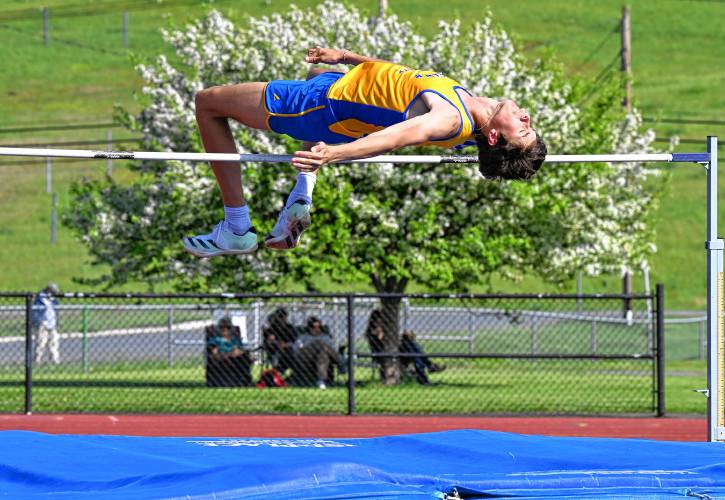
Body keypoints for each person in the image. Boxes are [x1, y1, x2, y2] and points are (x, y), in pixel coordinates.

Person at [183, 46, 547, 257]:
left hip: (318, 105)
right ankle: (300, 196)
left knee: (207, 104)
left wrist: (333, 155)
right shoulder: (471, 107)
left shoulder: (450, 120)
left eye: (524, 128)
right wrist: (346, 56)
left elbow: (394, 137)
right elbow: (399, 77)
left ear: (496, 137)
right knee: (315, 70)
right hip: (336, 89)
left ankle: (236, 227)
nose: (526, 116)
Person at [292, 316, 341, 389]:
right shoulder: (303, 337)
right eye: (313, 327)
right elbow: (296, 349)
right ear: (309, 328)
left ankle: (321, 380)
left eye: (319, 327)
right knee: (319, 343)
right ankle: (341, 363)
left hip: (323, 359)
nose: (317, 329)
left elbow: (333, 349)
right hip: (307, 358)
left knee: (322, 354)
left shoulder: (326, 337)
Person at [206, 316, 253, 386]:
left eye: (227, 328)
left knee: (243, 355)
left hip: (236, 356)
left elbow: (239, 348)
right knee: (233, 355)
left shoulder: (234, 339)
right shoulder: (216, 339)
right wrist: (217, 350)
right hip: (222, 356)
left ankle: (243, 380)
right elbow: (213, 350)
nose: (225, 330)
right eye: (222, 328)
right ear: (220, 329)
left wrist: (238, 351)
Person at [261, 307, 298, 374]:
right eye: (280, 316)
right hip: (274, 350)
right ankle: (277, 372)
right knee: (277, 354)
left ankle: (291, 374)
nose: (282, 319)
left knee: (290, 352)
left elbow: (294, 341)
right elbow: (267, 342)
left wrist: (285, 344)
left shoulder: (290, 328)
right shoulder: (271, 328)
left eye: (283, 316)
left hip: (289, 349)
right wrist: (275, 342)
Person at [32, 283, 60, 365]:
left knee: (54, 343)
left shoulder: (53, 299)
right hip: (42, 324)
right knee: (41, 343)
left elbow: (56, 310)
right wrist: (37, 322)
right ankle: (37, 360)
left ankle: (55, 361)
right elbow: (35, 311)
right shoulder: (40, 298)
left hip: (52, 324)